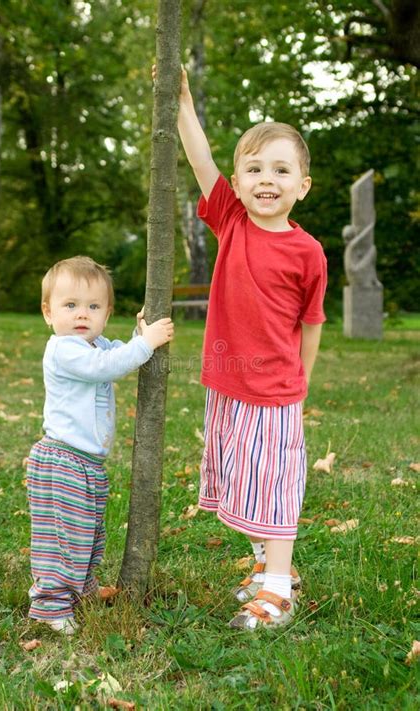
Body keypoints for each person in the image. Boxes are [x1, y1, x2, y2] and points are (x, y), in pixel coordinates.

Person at [178, 68, 327, 630]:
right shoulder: (231, 220)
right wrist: (182, 102)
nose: (267, 179)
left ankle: (279, 590)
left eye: (281, 170)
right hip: (228, 382)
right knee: (245, 475)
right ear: (237, 184)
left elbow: (311, 322)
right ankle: (266, 563)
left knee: (275, 483)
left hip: (275, 390)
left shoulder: (308, 252)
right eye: (255, 169)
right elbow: (198, 160)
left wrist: (302, 380)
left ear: (301, 186)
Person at [26, 255, 174, 634]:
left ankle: (81, 592)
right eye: (70, 305)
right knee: (64, 537)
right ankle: (50, 605)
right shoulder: (64, 348)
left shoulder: (95, 344)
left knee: (90, 534)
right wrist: (147, 345)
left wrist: (139, 336)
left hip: (86, 464)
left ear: (106, 314)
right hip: (62, 461)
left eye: (94, 307)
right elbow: (107, 367)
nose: (82, 315)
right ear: (48, 312)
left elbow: (113, 353)